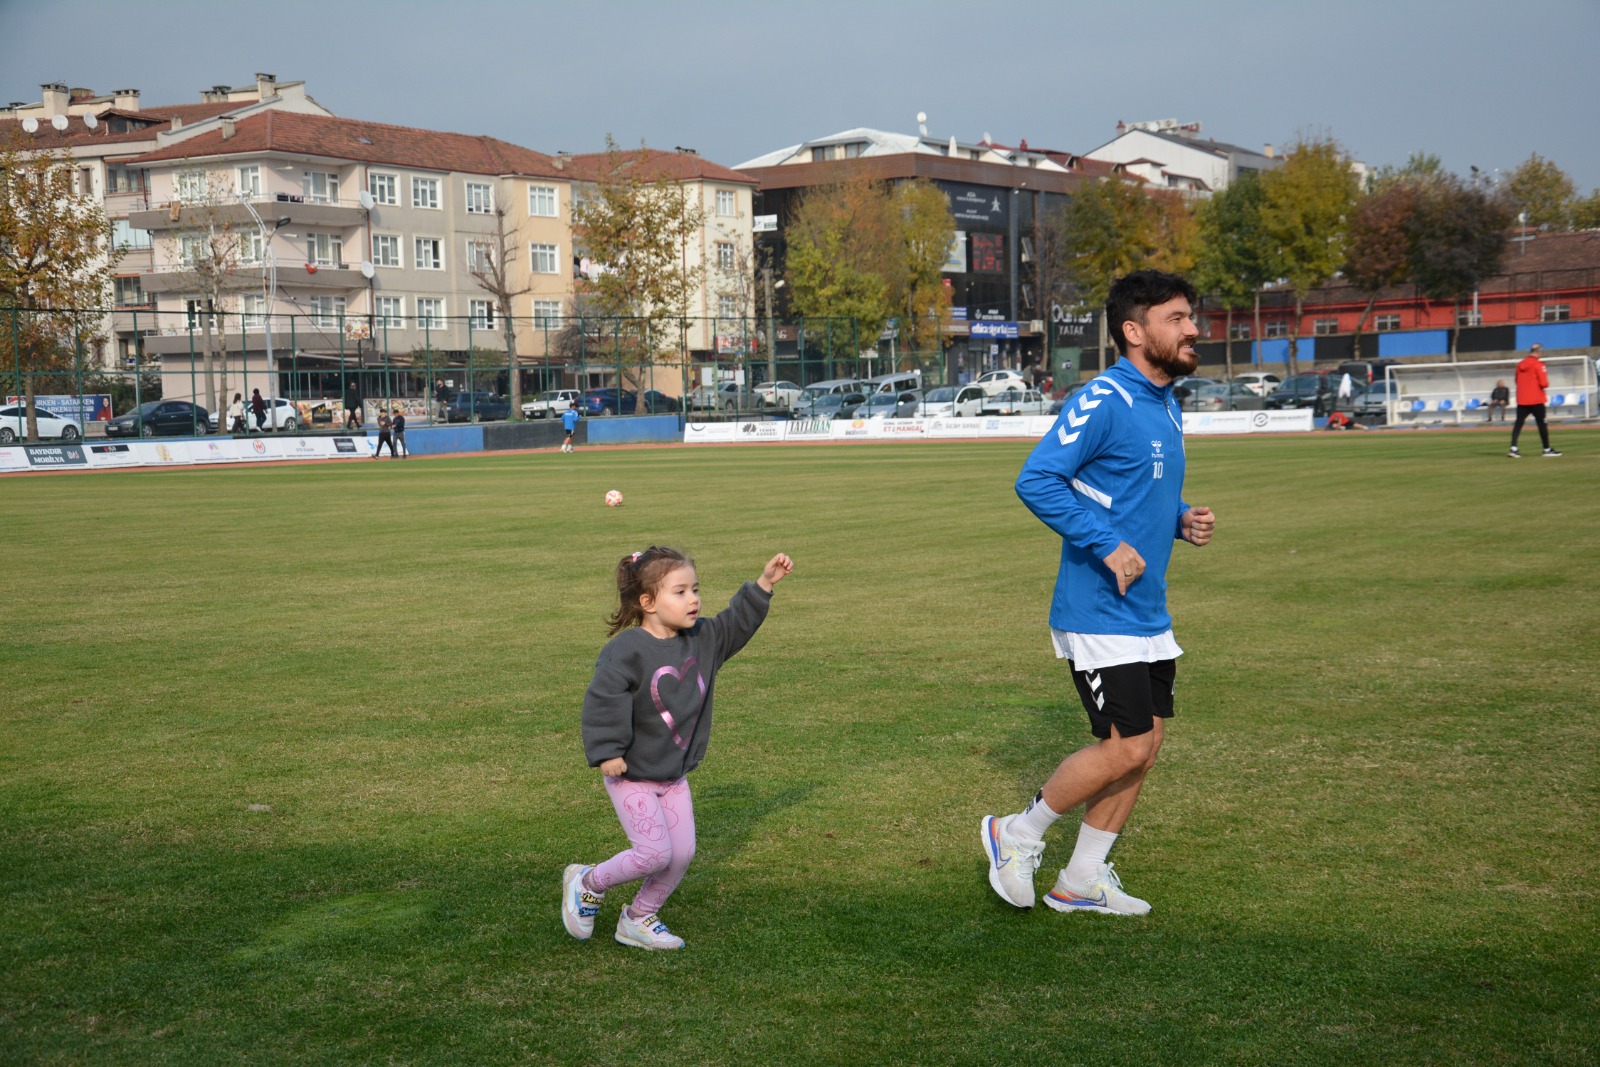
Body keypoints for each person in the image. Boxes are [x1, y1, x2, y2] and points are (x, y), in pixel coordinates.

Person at [982, 269, 1216, 917]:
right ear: (1135, 331)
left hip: (1146, 609)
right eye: (1177, 318)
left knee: (1148, 743)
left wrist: (1180, 517)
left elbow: (1133, 488)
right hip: (1097, 606)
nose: (1193, 328)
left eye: (1190, 316)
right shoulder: (1104, 396)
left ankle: (1080, 880)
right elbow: (1039, 480)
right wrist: (1107, 545)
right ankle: (1016, 832)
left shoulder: (1165, 400)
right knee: (1126, 744)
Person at [564, 546, 794, 950]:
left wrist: (764, 585)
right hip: (630, 774)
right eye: (680, 591)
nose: (694, 599)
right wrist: (607, 751)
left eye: (695, 589)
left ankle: (637, 918)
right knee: (653, 854)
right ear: (647, 602)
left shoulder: (703, 640)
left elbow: (735, 623)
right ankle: (587, 883)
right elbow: (603, 700)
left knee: (681, 855)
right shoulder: (626, 650)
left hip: (673, 776)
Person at [1510, 343, 1561, 457]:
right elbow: (1544, 383)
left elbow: (1517, 380)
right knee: (1542, 424)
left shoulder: (1520, 365)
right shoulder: (1539, 365)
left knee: (1518, 423)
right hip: (1536, 399)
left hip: (1523, 399)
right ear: (1539, 352)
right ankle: (1546, 449)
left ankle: (1513, 448)